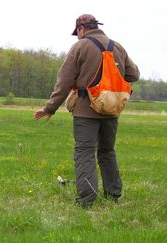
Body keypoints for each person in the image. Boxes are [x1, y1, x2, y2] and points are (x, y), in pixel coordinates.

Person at [34, 14, 140, 208]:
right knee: (107, 151)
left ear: (82, 29)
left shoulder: (80, 46)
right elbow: (134, 74)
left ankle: (86, 201)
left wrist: (50, 108)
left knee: (85, 153)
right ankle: (113, 196)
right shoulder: (117, 46)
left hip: (86, 112)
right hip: (111, 110)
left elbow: (64, 82)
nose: (77, 36)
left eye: (77, 33)